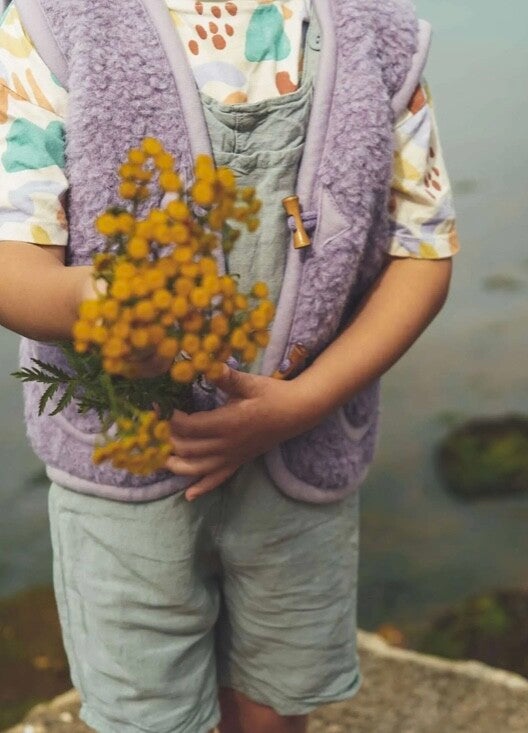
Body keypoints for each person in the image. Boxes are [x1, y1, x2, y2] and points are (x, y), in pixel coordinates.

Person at [0, 0, 459, 731]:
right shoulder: (56, 25)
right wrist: (101, 302)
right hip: (125, 474)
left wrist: (305, 401)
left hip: (299, 460)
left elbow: (424, 253)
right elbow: (12, 263)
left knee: (277, 699)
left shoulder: (375, 34)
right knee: (147, 708)